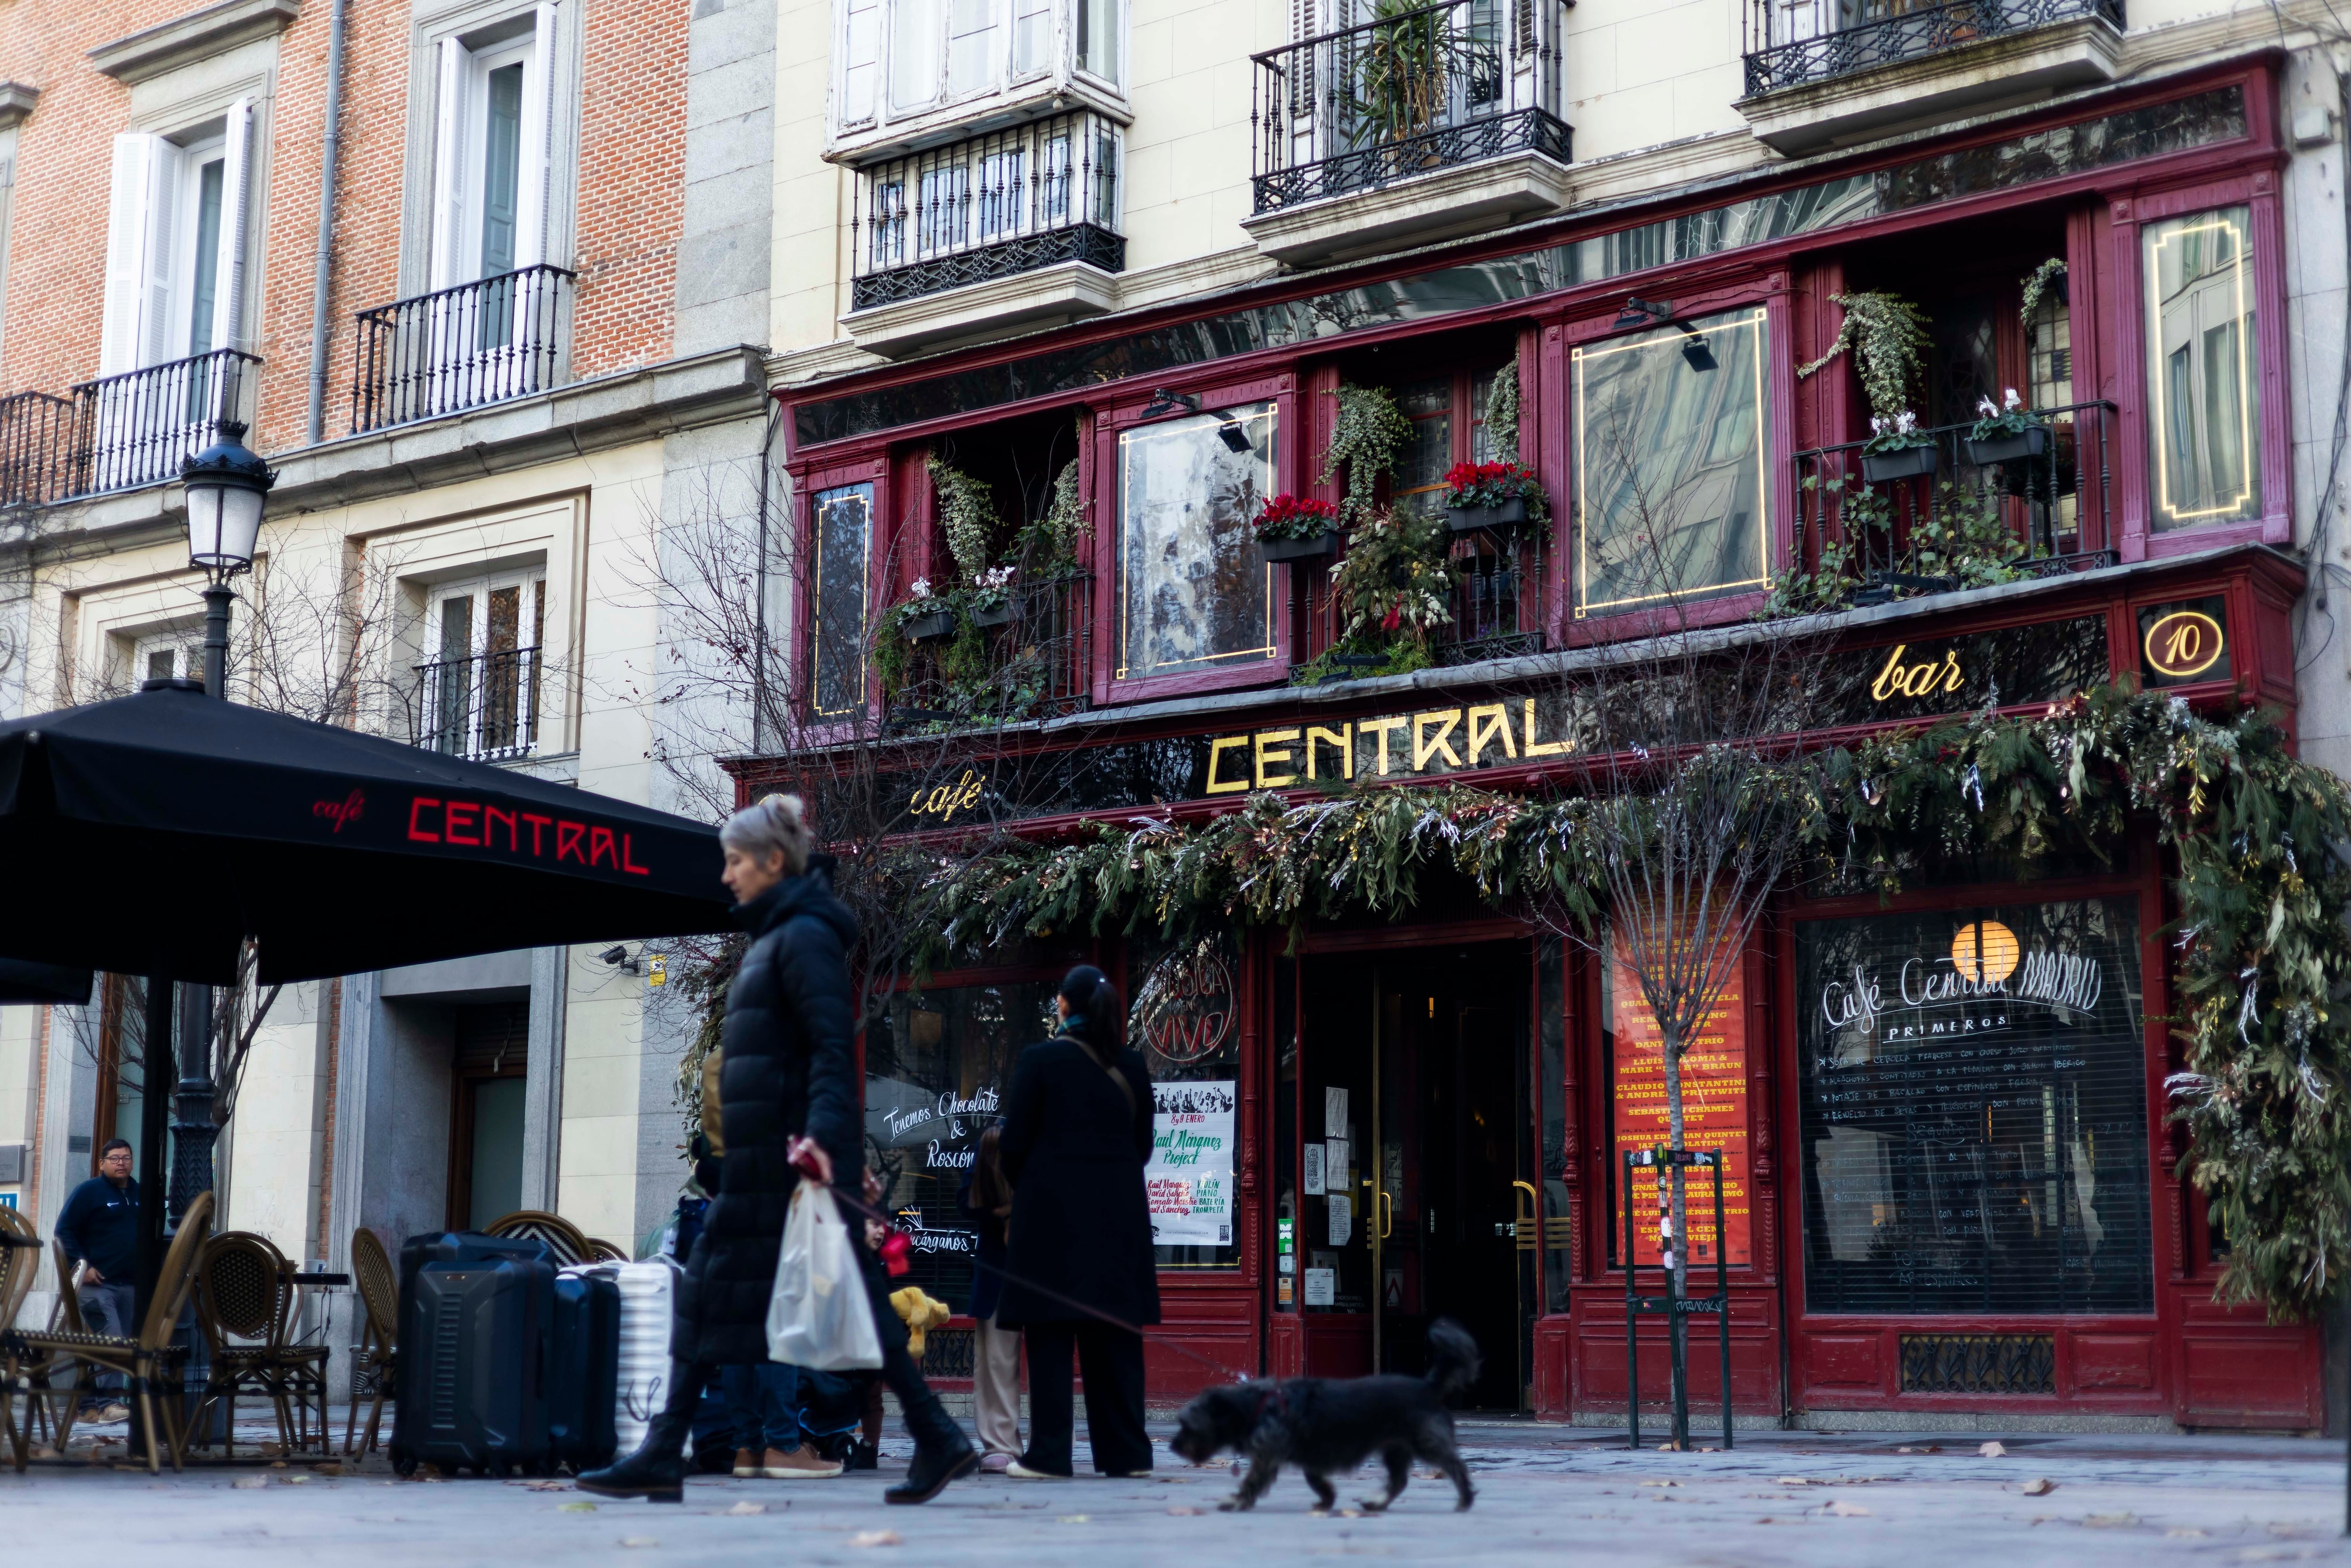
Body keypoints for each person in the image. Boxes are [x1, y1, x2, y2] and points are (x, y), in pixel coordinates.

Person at [580, 794, 975, 1505]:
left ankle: (669, 1449)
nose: (726, 875)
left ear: (770, 860)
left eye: (734, 860)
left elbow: (830, 1051)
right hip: (761, 1169)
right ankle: (668, 1448)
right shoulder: (776, 938)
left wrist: (826, 1147)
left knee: (738, 1301)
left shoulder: (804, 937)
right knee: (713, 1303)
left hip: (784, 1172)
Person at [997, 965, 1158, 1480]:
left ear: (1062, 1005)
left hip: (1050, 1223)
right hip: (1118, 1223)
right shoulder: (1132, 1065)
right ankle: (1126, 1453)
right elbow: (1143, 1147)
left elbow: (1013, 1145)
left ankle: (1049, 1453)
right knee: (1115, 1339)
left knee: (1049, 1336)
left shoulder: (1040, 1060)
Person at [54, 1137, 138, 1419]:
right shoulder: (88, 1192)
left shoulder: (141, 1193)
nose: (121, 1163)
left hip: (130, 1283)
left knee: (116, 1343)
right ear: (102, 1163)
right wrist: (83, 1266)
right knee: (111, 1339)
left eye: (126, 1158)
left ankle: (88, 1404)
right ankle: (110, 1404)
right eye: (114, 1158)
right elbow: (64, 1232)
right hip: (95, 1285)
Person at [960, 1124, 1022, 1471]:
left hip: (1041, 1265)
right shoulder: (997, 1135)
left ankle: (1048, 1440)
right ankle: (1000, 1443)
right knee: (997, 1359)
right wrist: (998, 1210)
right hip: (1000, 1266)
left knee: (1050, 1359)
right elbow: (966, 1196)